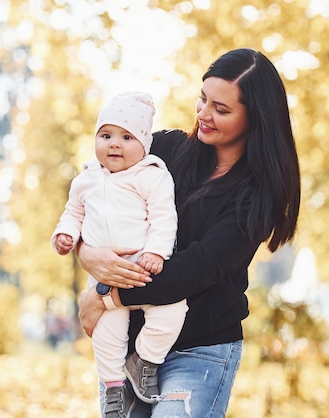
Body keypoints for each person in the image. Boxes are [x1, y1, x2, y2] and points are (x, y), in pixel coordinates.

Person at [77, 48, 301, 417]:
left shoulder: (258, 195)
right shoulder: (161, 150)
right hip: (129, 344)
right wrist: (85, 252)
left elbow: (195, 270)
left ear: (255, 118)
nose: (203, 114)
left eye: (221, 109)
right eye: (203, 99)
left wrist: (105, 297)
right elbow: (92, 194)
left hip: (201, 351)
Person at [51, 92, 188, 417]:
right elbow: (73, 213)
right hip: (104, 276)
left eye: (127, 137)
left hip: (144, 271)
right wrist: (66, 234)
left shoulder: (152, 175)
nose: (114, 144)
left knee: (171, 313)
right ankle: (113, 388)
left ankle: (143, 360)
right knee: (106, 333)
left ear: (144, 144)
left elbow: (163, 217)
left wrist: (156, 251)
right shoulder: (85, 180)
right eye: (106, 135)